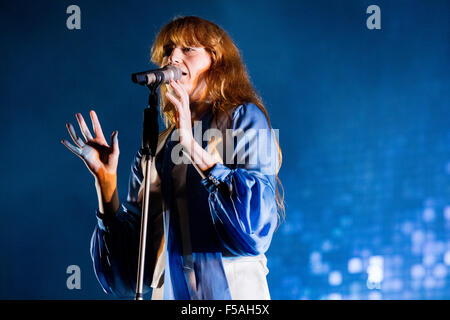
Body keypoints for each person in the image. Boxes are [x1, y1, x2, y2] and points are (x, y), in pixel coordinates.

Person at [61, 16, 284, 300]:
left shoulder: (243, 118)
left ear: (215, 60)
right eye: (168, 51)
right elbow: (131, 275)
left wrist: (193, 147)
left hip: (232, 289)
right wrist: (106, 185)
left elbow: (255, 230)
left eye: (188, 48)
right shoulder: (157, 146)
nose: (173, 58)